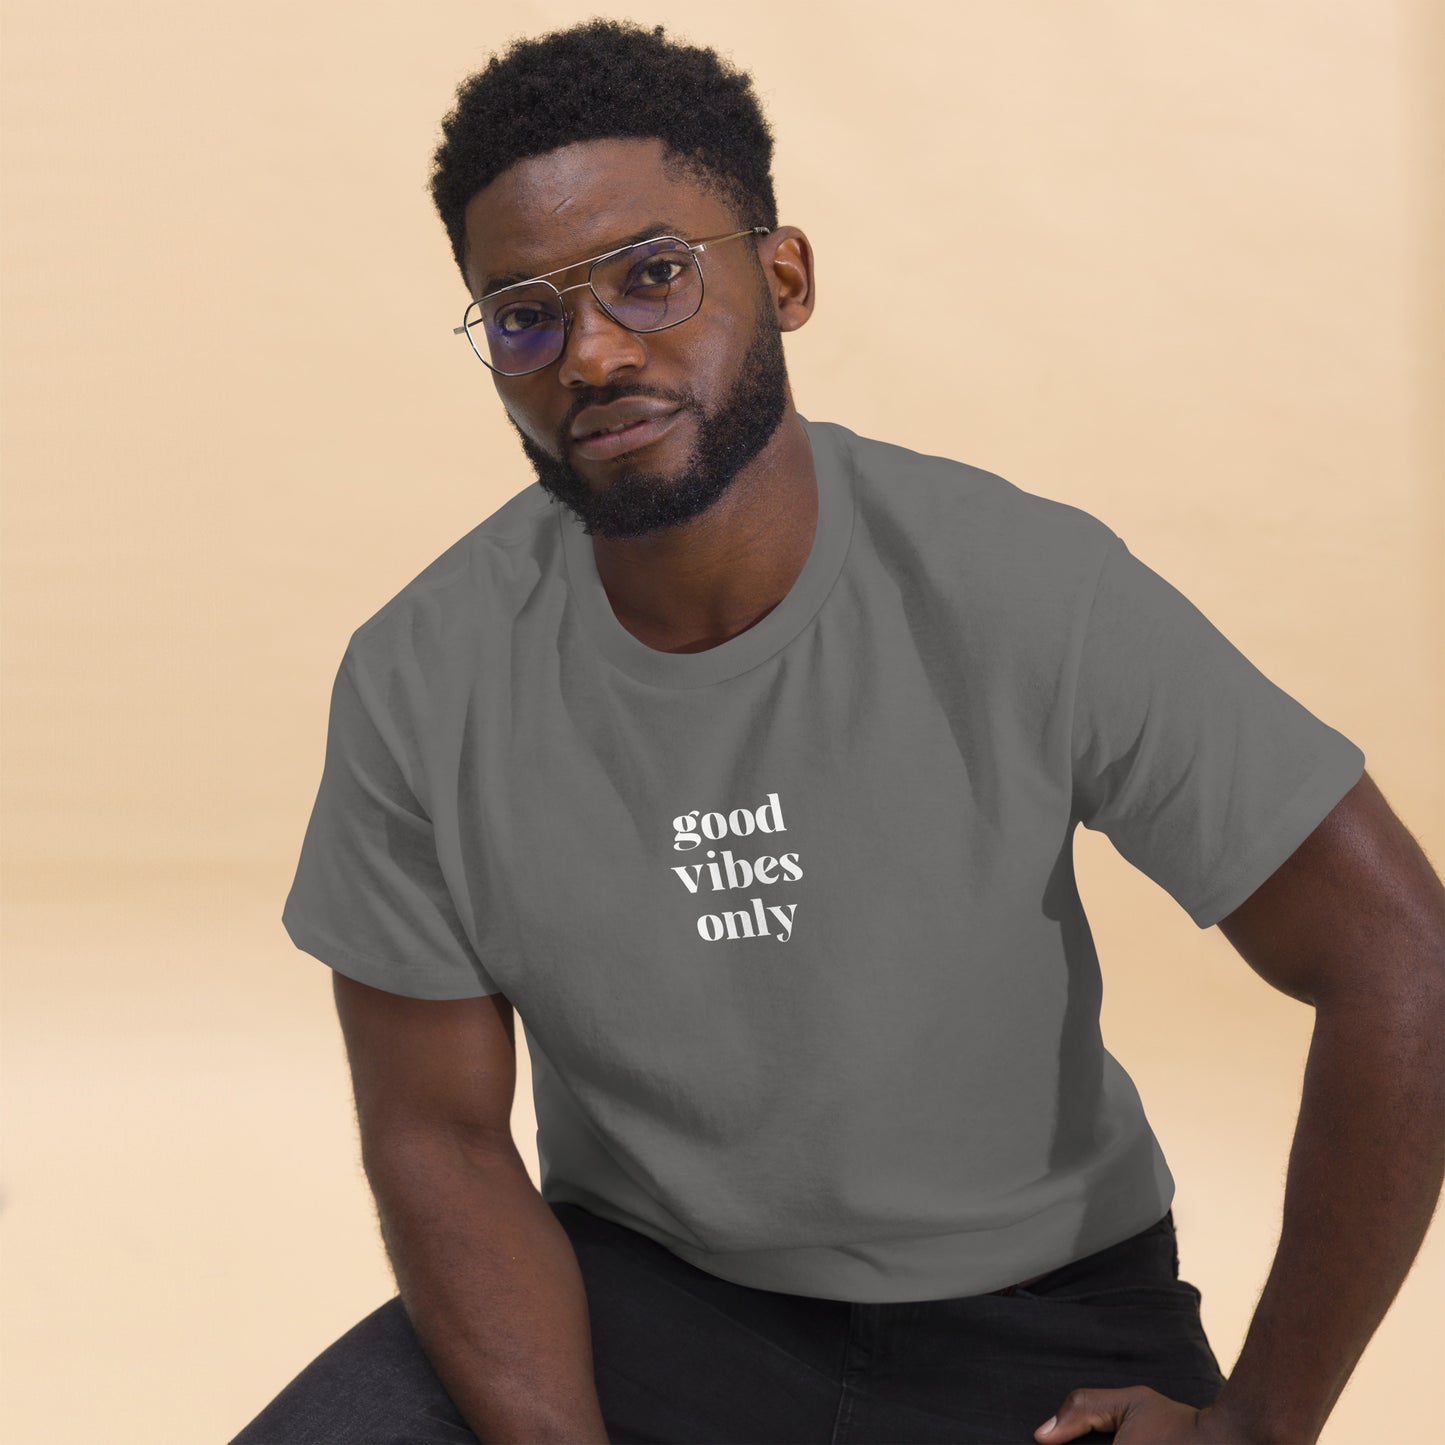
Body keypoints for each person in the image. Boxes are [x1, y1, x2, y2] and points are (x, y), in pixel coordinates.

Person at [230, 19, 1445, 1445]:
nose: (594, 352)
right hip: (644, 1301)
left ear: (783, 276)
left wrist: (1260, 1423)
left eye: (652, 274)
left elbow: (1398, 958)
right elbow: (435, 1132)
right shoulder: (419, 676)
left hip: (1035, 1326)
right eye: (524, 316)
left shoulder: (1022, 585)